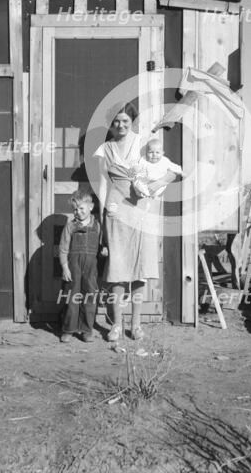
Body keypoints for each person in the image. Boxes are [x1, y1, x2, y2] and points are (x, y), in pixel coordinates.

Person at [95, 106, 179, 342]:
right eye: (116, 121)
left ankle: (137, 324)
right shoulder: (106, 149)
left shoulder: (144, 144)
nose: (120, 125)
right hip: (116, 210)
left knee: (141, 269)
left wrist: (158, 183)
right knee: (117, 269)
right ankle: (117, 326)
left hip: (143, 210)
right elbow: (102, 183)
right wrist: (104, 212)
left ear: (132, 121)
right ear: (111, 124)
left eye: (125, 120)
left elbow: (171, 170)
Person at [58, 190, 104, 343]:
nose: (78, 212)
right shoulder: (70, 226)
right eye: (75, 209)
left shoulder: (97, 226)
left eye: (81, 208)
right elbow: (63, 249)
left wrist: (104, 250)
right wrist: (65, 268)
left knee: (89, 297)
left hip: (91, 268)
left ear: (91, 207)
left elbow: (102, 246)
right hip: (73, 267)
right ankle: (68, 329)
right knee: (71, 297)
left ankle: (86, 329)